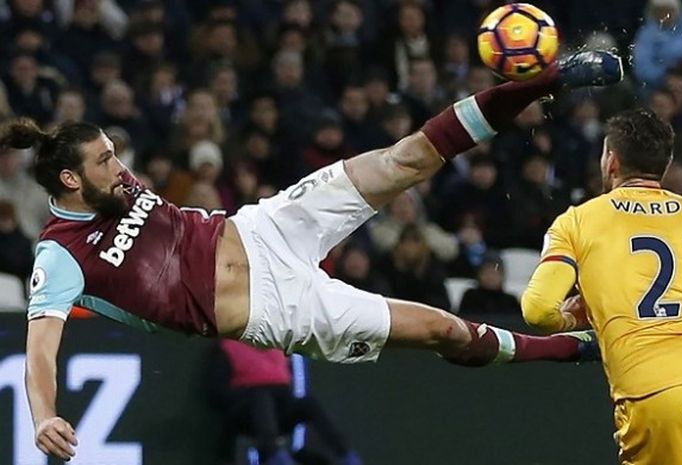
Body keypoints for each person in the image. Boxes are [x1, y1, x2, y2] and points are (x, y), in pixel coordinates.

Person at [12, 50, 623, 461]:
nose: (121, 169)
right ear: (69, 181)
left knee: (404, 158)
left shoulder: (113, 185)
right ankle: (579, 346)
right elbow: (41, 347)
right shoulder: (60, 254)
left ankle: (548, 79)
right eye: (104, 163)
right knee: (441, 328)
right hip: (277, 310)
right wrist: (44, 415)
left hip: (265, 228)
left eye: (116, 155)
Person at [521, 109, 682, 465]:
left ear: (611, 160)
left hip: (658, 394)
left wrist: (572, 319)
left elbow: (537, 310)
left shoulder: (576, 221)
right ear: (664, 165)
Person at [209, 340, 362, 465]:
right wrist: (250, 393)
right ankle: (274, 456)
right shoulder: (227, 347)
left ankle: (346, 455)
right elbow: (218, 392)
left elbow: (286, 383)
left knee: (308, 404)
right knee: (261, 396)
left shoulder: (276, 346)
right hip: (246, 411)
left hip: (278, 409)